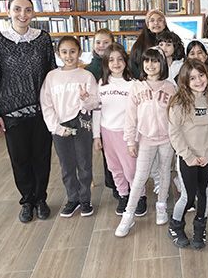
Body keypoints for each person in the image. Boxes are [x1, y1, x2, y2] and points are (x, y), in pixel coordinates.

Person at [0, 0, 56, 223]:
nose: (22, 14)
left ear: (33, 13)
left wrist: (57, 106)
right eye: (17, 9)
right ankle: (27, 201)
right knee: (20, 158)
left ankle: (41, 199)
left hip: (42, 110)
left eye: (27, 10)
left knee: (42, 157)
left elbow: (51, 73)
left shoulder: (43, 38)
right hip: (11, 111)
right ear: (8, 11)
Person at [116, 47, 176, 237]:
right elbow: (130, 117)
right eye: (147, 61)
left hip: (167, 139)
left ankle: (161, 206)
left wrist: (177, 138)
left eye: (155, 61)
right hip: (145, 139)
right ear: (142, 64)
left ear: (162, 63)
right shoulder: (137, 86)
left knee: (164, 172)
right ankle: (128, 214)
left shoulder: (170, 87)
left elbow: (176, 116)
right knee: (140, 176)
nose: (151, 65)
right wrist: (130, 141)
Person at [167, 59, 208, 249]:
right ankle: (176, 225)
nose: (198, 81)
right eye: (192, 78)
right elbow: (174, 133)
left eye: (201, 75)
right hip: (188, 158)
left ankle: (200, 228)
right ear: (185, 80)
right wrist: (189, 156)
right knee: (188, 196)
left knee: (205, 193)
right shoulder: (178, 103)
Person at [40, 36, 99, 218]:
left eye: (72, 51)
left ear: (79, 52)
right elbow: (46, 104)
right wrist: (56, 128)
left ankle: (85, 199)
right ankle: (72, 198)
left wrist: (86, 98)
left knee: (84, 163)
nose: (69, 56)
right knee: (66, 165)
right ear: (58, 54)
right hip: (60, 125)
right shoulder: (51, 77)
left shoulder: (86, 76)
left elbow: (95, 103)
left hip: (82, 123)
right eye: (64, 52)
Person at [92, 43, 140, 216]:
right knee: (114, 167)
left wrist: (135, 136)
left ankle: (139, 195)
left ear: (126, 61)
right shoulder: (101, 84)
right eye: (111, 60)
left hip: (127, 134)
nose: (116, 63)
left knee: (131, 169)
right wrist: (96, 136)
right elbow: (97, 111)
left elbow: (139, 113)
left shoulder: (133, 84)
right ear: (106, 63)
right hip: (107, 132)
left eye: (120, 59)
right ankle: (123, 194)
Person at [84, 28, 120, 201]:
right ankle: (113, 183)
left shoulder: (118, 64)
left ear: (112, 43)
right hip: (95, 115)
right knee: (107, 152)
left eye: (106, 42)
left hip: (115, 116)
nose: (101, 45)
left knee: (116, 151)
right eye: (98, 42)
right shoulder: (89, 69)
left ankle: (121, 182)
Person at [129, 9, 168, 78]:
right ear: (147, 25)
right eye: (152, 20)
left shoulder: (172, 40)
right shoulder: (139, 44)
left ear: (164, 24)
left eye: (160, 20)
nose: (156, 23)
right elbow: (133, 66)